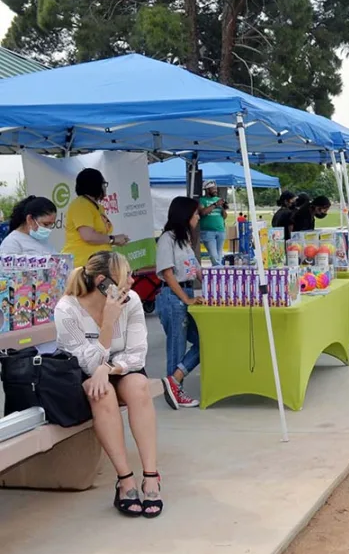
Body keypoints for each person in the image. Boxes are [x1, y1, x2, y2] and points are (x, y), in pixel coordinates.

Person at [54, 251, 160, 517]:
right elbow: (86, 364)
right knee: (101, 393)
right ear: (102, 281)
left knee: (139, 386)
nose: (132, 283)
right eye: (126, 278)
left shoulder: (132, 300)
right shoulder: (67, 309)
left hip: (121, 367)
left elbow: (137, 353)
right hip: (84, 374)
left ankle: (151, 475)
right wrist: (108, 322)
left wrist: (107, 368)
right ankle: (125, 480)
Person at [156, 196, 203, 410]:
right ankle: (175, 389)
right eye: (195, 213)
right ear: (185, 215)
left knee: (204, 340)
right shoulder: (168, 238)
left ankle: (173, 381)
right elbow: (168, 273)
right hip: (173, 297)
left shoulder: (184, 239)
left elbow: (196, 271)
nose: (197, 217)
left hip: (186, 293)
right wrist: (186, 299)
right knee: (177, 346)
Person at [63, 168, 130, 266]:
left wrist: (114, 240)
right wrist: (113, 239)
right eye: (104, 183)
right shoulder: (81, 204)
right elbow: (88, 236)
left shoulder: (96, 206)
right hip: (83, 263)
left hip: (97, 263)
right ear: (95, 184)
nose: (105, 187)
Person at [198, 180, 228, 265]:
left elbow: (225, 216)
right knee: (214, 256)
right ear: (207, 190)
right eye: (213, 189)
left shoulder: (219, 200)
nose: (216, 190)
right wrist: (215, 205)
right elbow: (203, 212)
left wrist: (222, 208)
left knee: (219, 255)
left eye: (216, 188)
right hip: (208, 232)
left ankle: (217, 274)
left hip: (221, 230)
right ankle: (220, 273)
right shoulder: (202, 200)